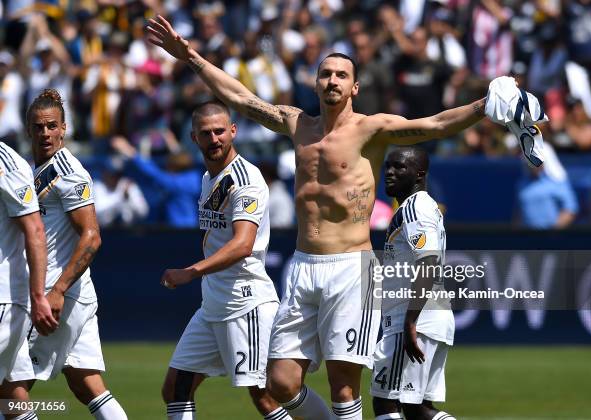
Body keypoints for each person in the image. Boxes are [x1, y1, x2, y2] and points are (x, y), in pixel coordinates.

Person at [148, 15, 487, 420]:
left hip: (351, 268)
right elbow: (239, 98)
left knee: (344, 386)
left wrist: (485, 105)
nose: (332, 81)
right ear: (315, 82)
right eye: (325, 74)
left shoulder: (372, 129)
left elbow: (435, 124)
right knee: (280, 382)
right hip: (304, 266)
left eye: (341, 75)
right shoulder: (298, 124)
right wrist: (189, 56)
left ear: (354, 87)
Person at [159, 101, 289, 420]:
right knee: (175, 388)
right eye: (206, 133)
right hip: (214, 302)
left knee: (265, 397)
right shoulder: (209, 177)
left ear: (233, 131)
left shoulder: (245, 178)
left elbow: (242, 244)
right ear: (194, 137)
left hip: (246, 302)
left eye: (220, 131)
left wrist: (191, 272)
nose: (214, 139)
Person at [13, 89, 128, 419]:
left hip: (54, 296)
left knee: (9, 385)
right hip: (75, 295)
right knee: (86, 384)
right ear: (28, 129)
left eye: (52, 126)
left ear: (64, 128)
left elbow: (91, 238)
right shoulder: (34, 169)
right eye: (38, 127)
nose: (45, 133)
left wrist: (57, 291)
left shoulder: (68, 172)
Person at [371, 146, 455, 420]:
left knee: (390, 403)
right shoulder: (418, 207)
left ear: (419, 174)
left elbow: (428, 264)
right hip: (426, 316)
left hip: (416, 317)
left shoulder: (415, 208)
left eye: (399, 167)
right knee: (416, 407)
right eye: (388, 167)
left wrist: (410, 322)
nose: (390, 172)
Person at [0, 141, 57, 420]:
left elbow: (35, 229)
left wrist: (38, 298)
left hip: (4, 300)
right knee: (12, 397)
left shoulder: (6, 163)